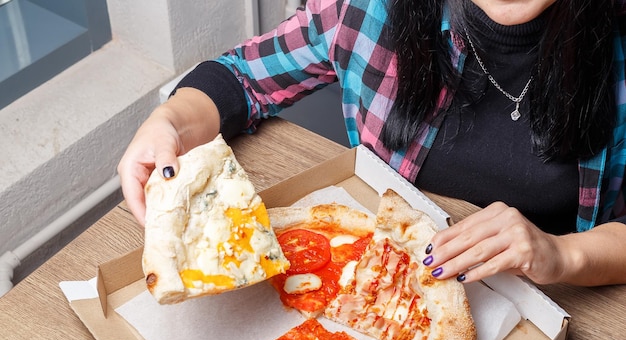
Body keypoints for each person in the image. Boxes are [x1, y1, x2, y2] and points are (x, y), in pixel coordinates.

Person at [117, 0, 626, 287]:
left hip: (568, 310)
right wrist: (169, 123)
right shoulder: (365, 7)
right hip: (377, 289)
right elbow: (241, 78)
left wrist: (562, 255)